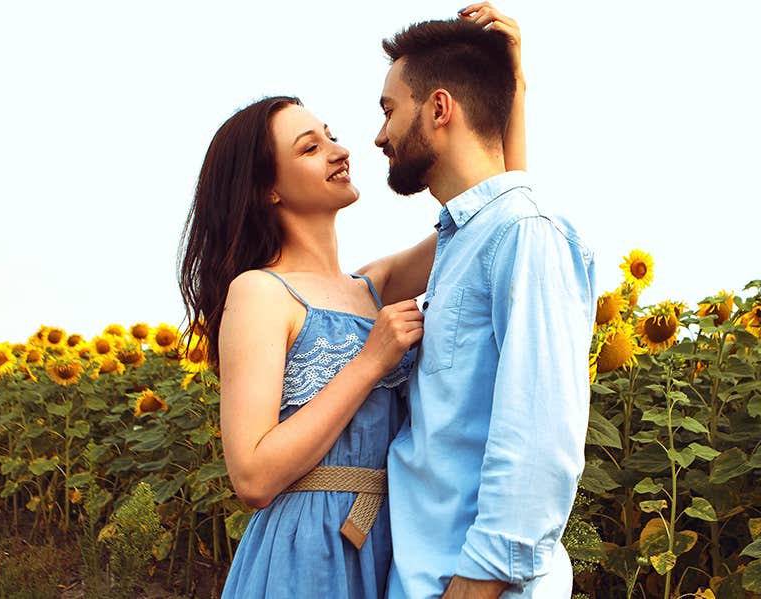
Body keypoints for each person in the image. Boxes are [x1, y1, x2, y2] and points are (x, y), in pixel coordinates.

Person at [177, 7, 526, 592]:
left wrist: (509, 84)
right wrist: (369, 364)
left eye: (332, 136)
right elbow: (253, 476)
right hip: (305, 550)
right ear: (267, 188)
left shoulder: (375, 284)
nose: (341, 150)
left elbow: (497, 214)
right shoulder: (260, 292)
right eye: (310, 149)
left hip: (393, 541)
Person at [376, 6, 596, 598]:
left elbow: (538, 442)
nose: (379, 136)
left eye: (389, 110)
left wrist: (469, 593)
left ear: (440, 108)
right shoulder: (464, 240)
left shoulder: (525, 232)